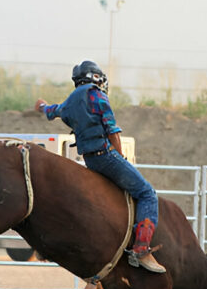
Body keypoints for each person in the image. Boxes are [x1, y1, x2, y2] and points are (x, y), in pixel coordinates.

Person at [35, 60, 165, 273]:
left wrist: (41, 106)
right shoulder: (97, 96)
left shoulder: (70, 102)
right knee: (147, 193)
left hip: (89, 159)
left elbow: (51, 111)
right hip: (106, 156)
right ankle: (141, 249)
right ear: (95, 78)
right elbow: (112, 130)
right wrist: (120, 158)